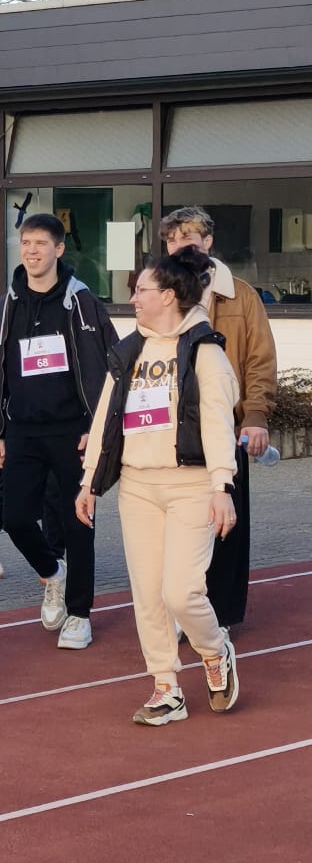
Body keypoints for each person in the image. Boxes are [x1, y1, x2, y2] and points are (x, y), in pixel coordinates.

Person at [76, 247, 240, 725]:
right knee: (147, 595)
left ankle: (215, 650)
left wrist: (221, 485)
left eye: (141, 290)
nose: (134, 298)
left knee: (181, 592)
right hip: (138, 488)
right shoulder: (130, 351)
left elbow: (215, 422)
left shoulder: (203, 350)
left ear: (167, 296)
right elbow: (106, 418)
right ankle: (166, 687)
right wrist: (88, 481)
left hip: (190, 486)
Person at [0, 213, 116, 649]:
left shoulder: (82, 301)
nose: (32, 251)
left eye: (41, 243)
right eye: (26, 243)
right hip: (22, 432)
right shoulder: (4, 308)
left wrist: (99, 427)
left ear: (58, 250)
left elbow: (110, 365)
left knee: (79, 524)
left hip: (74, 432)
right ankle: (53, 575)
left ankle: (79, 614)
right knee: (16, 517)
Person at [160, 205, 278, 628]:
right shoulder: (161, 291)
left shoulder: (240, 294)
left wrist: (256, 416)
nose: (180, 245)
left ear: (208, 242)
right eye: (173, 239)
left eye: (189, 237)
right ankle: (178, 611)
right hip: (171, 432)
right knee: (174, 526)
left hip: (226, 430)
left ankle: (220, 615)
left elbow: (260, 359)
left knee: (224, 527)